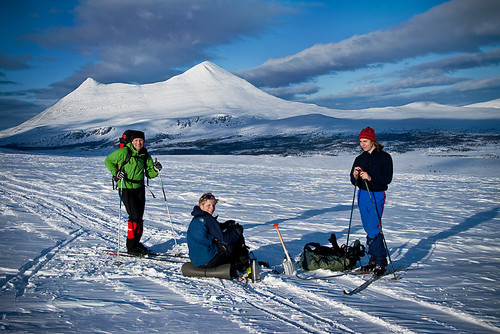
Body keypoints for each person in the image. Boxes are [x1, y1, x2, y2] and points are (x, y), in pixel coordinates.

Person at [104, 130, 162, 255]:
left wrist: (156, 170)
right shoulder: (124, 152)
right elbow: (108, 161)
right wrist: (116, 173)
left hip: (139, 188)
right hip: (126, 187)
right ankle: (131, 247)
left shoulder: (145, 155)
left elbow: (150, 174)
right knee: (134, 216)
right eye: (136, 140)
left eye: (141, 140)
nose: (138, 143)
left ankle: (136, 243)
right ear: (132, 141)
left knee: (139, 218)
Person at [350, 127, 393, 276]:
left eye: (365, 141)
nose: (362, 144)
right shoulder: (360, 158)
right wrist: (355, 176)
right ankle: (373, 259)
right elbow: (352, 180)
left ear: (372, 140)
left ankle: (381, 260)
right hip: (362, 194)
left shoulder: (384, 157)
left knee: (374, 226)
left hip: (376, 194)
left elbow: (387, 179)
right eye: (361, 141)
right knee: (368, 227)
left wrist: (370, 178)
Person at [187, 193, 249, 276]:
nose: (211, 208)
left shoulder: (197, 217)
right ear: (201, 205)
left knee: (224, 239)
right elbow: (225, 239)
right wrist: (238, 231)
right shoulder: (207, 218)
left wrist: (224, 225)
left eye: (213, 205)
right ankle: (242, 264)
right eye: (208, 205)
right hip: (209, 261)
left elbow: (211, 229)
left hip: (196, 261)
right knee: (234, 239)